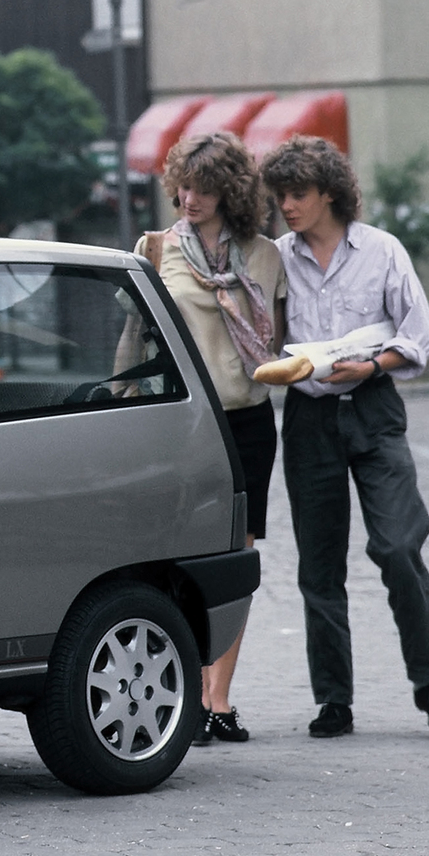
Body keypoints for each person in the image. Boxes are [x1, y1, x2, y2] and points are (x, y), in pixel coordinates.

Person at [260, 136, 429, 737]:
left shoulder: (382, 251)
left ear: (329, 193)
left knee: (399, 546)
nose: (288, 206)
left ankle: (426, 681)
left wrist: (372, 366)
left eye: (298, 195)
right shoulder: (276, 258)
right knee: (319, 565)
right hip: (308, 418)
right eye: (280, 197)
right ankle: (334, 700)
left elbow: (418, 336)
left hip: (373, 407)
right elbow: (262, 340)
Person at [137, 132, 285, 745]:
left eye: (200, 187)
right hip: (182, 425)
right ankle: (184, 692)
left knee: (235, 559)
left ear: (230, 192)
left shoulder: (266, 256)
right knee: (177, 557)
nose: (186, 197)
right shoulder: (156, 249)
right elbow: (136, 340)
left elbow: (278, 346)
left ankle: (217, 698)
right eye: (181, 185)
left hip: (247, 421)